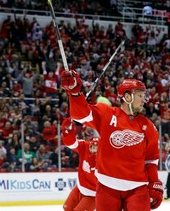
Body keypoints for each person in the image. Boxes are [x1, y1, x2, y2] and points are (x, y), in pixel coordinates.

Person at [61, 71, 163, 210]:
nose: (144, 99)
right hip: (106, 187)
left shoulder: (149, 127)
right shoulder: (107, 114)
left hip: (137, 188)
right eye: (140, 95)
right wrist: (74, 93)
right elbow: (81, 115)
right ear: (127, 97)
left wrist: (154, 183)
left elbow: (151, 160)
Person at [61, 117, 99, 211]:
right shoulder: (85, 146)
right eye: (92, 147)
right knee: (66, 208)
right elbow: (71, 144)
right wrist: (68, 131)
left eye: (96, 148)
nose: (93, 150)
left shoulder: (104, 159)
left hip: (92, 195)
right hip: (80, 188)